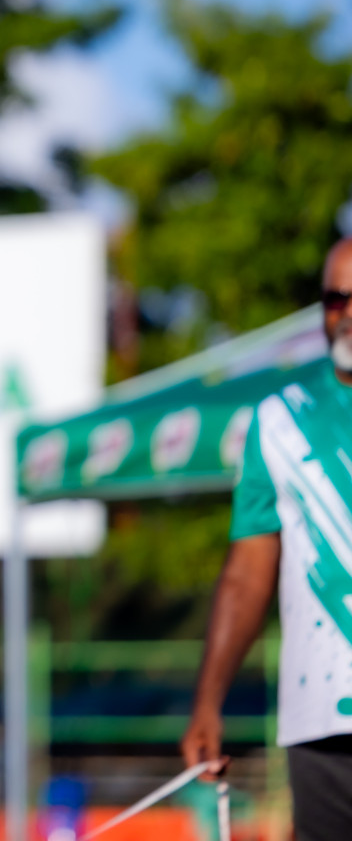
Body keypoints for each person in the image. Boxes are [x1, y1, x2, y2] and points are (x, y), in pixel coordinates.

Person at [182, 239, 352, 841]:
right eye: (336, 298)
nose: (348, 312)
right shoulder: (280, 418)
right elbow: (249, 571)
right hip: (322, 719)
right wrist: (209, 701)